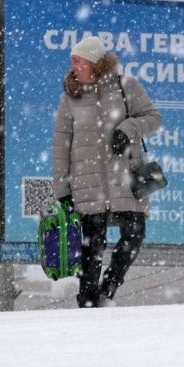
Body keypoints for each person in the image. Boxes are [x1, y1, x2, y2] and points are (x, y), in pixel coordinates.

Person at [52, 36, 161, 308]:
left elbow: (152, 118)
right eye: (73, 62)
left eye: (79, 61)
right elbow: (60, 145)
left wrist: (128, 129)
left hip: (125, 180)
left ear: (94, 62)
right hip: (87, 185)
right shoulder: (70, 96)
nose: (73, 67)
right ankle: (87, 302)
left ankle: (108, 289)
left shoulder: (127, 86)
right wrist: (62, 191)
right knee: (91, 249)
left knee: (134, 235)